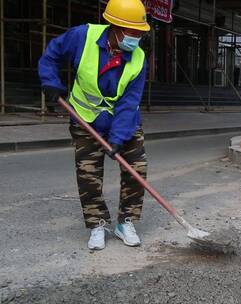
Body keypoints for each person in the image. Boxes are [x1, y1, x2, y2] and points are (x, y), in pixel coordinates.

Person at [38, 0, 150, 250]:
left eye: (141, 32)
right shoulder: (82, 36)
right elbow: (51, 55)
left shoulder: (138, 59)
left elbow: (129, 102)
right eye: (134, 32)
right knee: (88, 174)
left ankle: (126, 221)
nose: (138, 38)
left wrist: (119, 138)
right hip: (84, 118)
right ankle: (97, 223)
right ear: (116, 27)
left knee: (137, 169)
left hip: (124, 121)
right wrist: (51, 82)